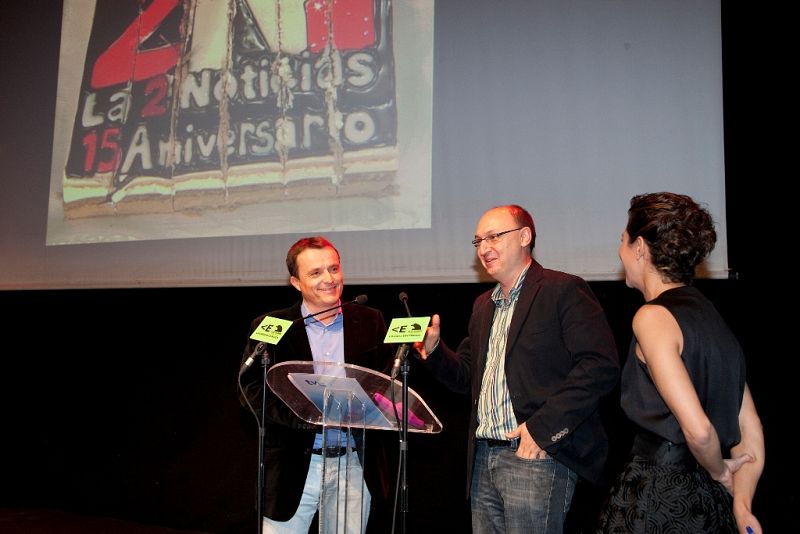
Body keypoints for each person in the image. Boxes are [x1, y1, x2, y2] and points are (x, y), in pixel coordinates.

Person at [415, 204, 620, 534]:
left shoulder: (561, 290)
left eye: (494, 236)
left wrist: (541, 429)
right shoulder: (483, 305)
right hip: (483, 457)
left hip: (534, 455)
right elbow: (468, 378)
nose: (484, 248)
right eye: (478, 240)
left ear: (525, 236)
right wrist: (436, 352)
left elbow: (600, 366)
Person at [596, 192, 765, 533]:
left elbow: (700, 431)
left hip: (659, 498)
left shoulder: (652, 317)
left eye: (622, 241)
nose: (620, 252)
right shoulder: (714, 321)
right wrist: (742, 505)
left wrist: (719, 469)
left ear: (640, 247)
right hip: (711, 505)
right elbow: (751, 433)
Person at [238, 236, 394, 534]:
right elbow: (250, 390)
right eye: (315, 273)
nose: (329, 279)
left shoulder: (370, 320)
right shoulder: (273, 325)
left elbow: (387, 384)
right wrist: (306, 419)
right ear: (296, 282)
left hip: (353, 464)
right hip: (293, 467)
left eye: (333, 269)